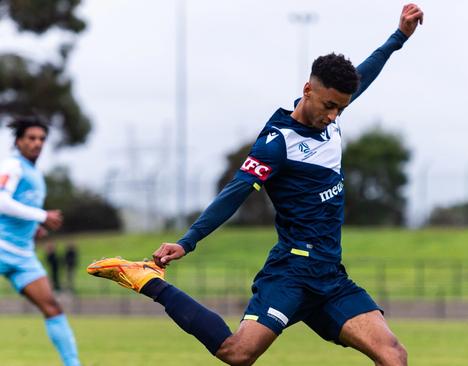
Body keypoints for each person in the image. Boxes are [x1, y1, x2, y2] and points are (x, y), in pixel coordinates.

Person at [88, 4, 423, 365]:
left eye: (340, 108)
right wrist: (188, 242)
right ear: (307, 90)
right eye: (329, 105)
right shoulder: (277, 143)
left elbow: (364, 74)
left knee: (393, 355)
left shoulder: (330, 117)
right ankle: (145, 279)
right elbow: (235, 192)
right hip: (291, 274)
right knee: (237, 353)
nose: (333, 116)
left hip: (330, 277)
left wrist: (399, 37)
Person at [0, 116, 81, 366]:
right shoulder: (12, 166)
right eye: (31, 138)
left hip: (23, 255)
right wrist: (42, 216)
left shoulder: (35, 173)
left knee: (53, 308)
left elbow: (19, 207)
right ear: (19, 141)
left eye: (41, 139)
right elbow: (1, 201)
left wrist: (34, 227)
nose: (37, 143)